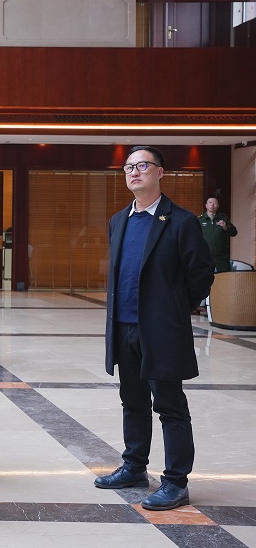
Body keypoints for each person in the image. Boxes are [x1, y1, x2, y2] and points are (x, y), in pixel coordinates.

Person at [94, 146, 214, 511]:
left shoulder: (180, 221)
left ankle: (176, 481)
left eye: (142, 165)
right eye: (129, 167)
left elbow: (201, 273)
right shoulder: (119, 220)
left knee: (169, 405)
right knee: (132, 401)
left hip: (161, 330)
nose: (134, 172)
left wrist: (174, 308)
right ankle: (134, 467)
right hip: (124, 328)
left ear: (160, 172)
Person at [198, 197, 237, 273]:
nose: (212, 205)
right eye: (210, 202)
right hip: (205, 256)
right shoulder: (200, 220)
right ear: (206, 205)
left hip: (221, 256)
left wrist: (225, 227)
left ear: (218, 206)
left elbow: (234, 232)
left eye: (215, 203)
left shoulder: (223, 218)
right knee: (205, 277)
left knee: (224, 277)